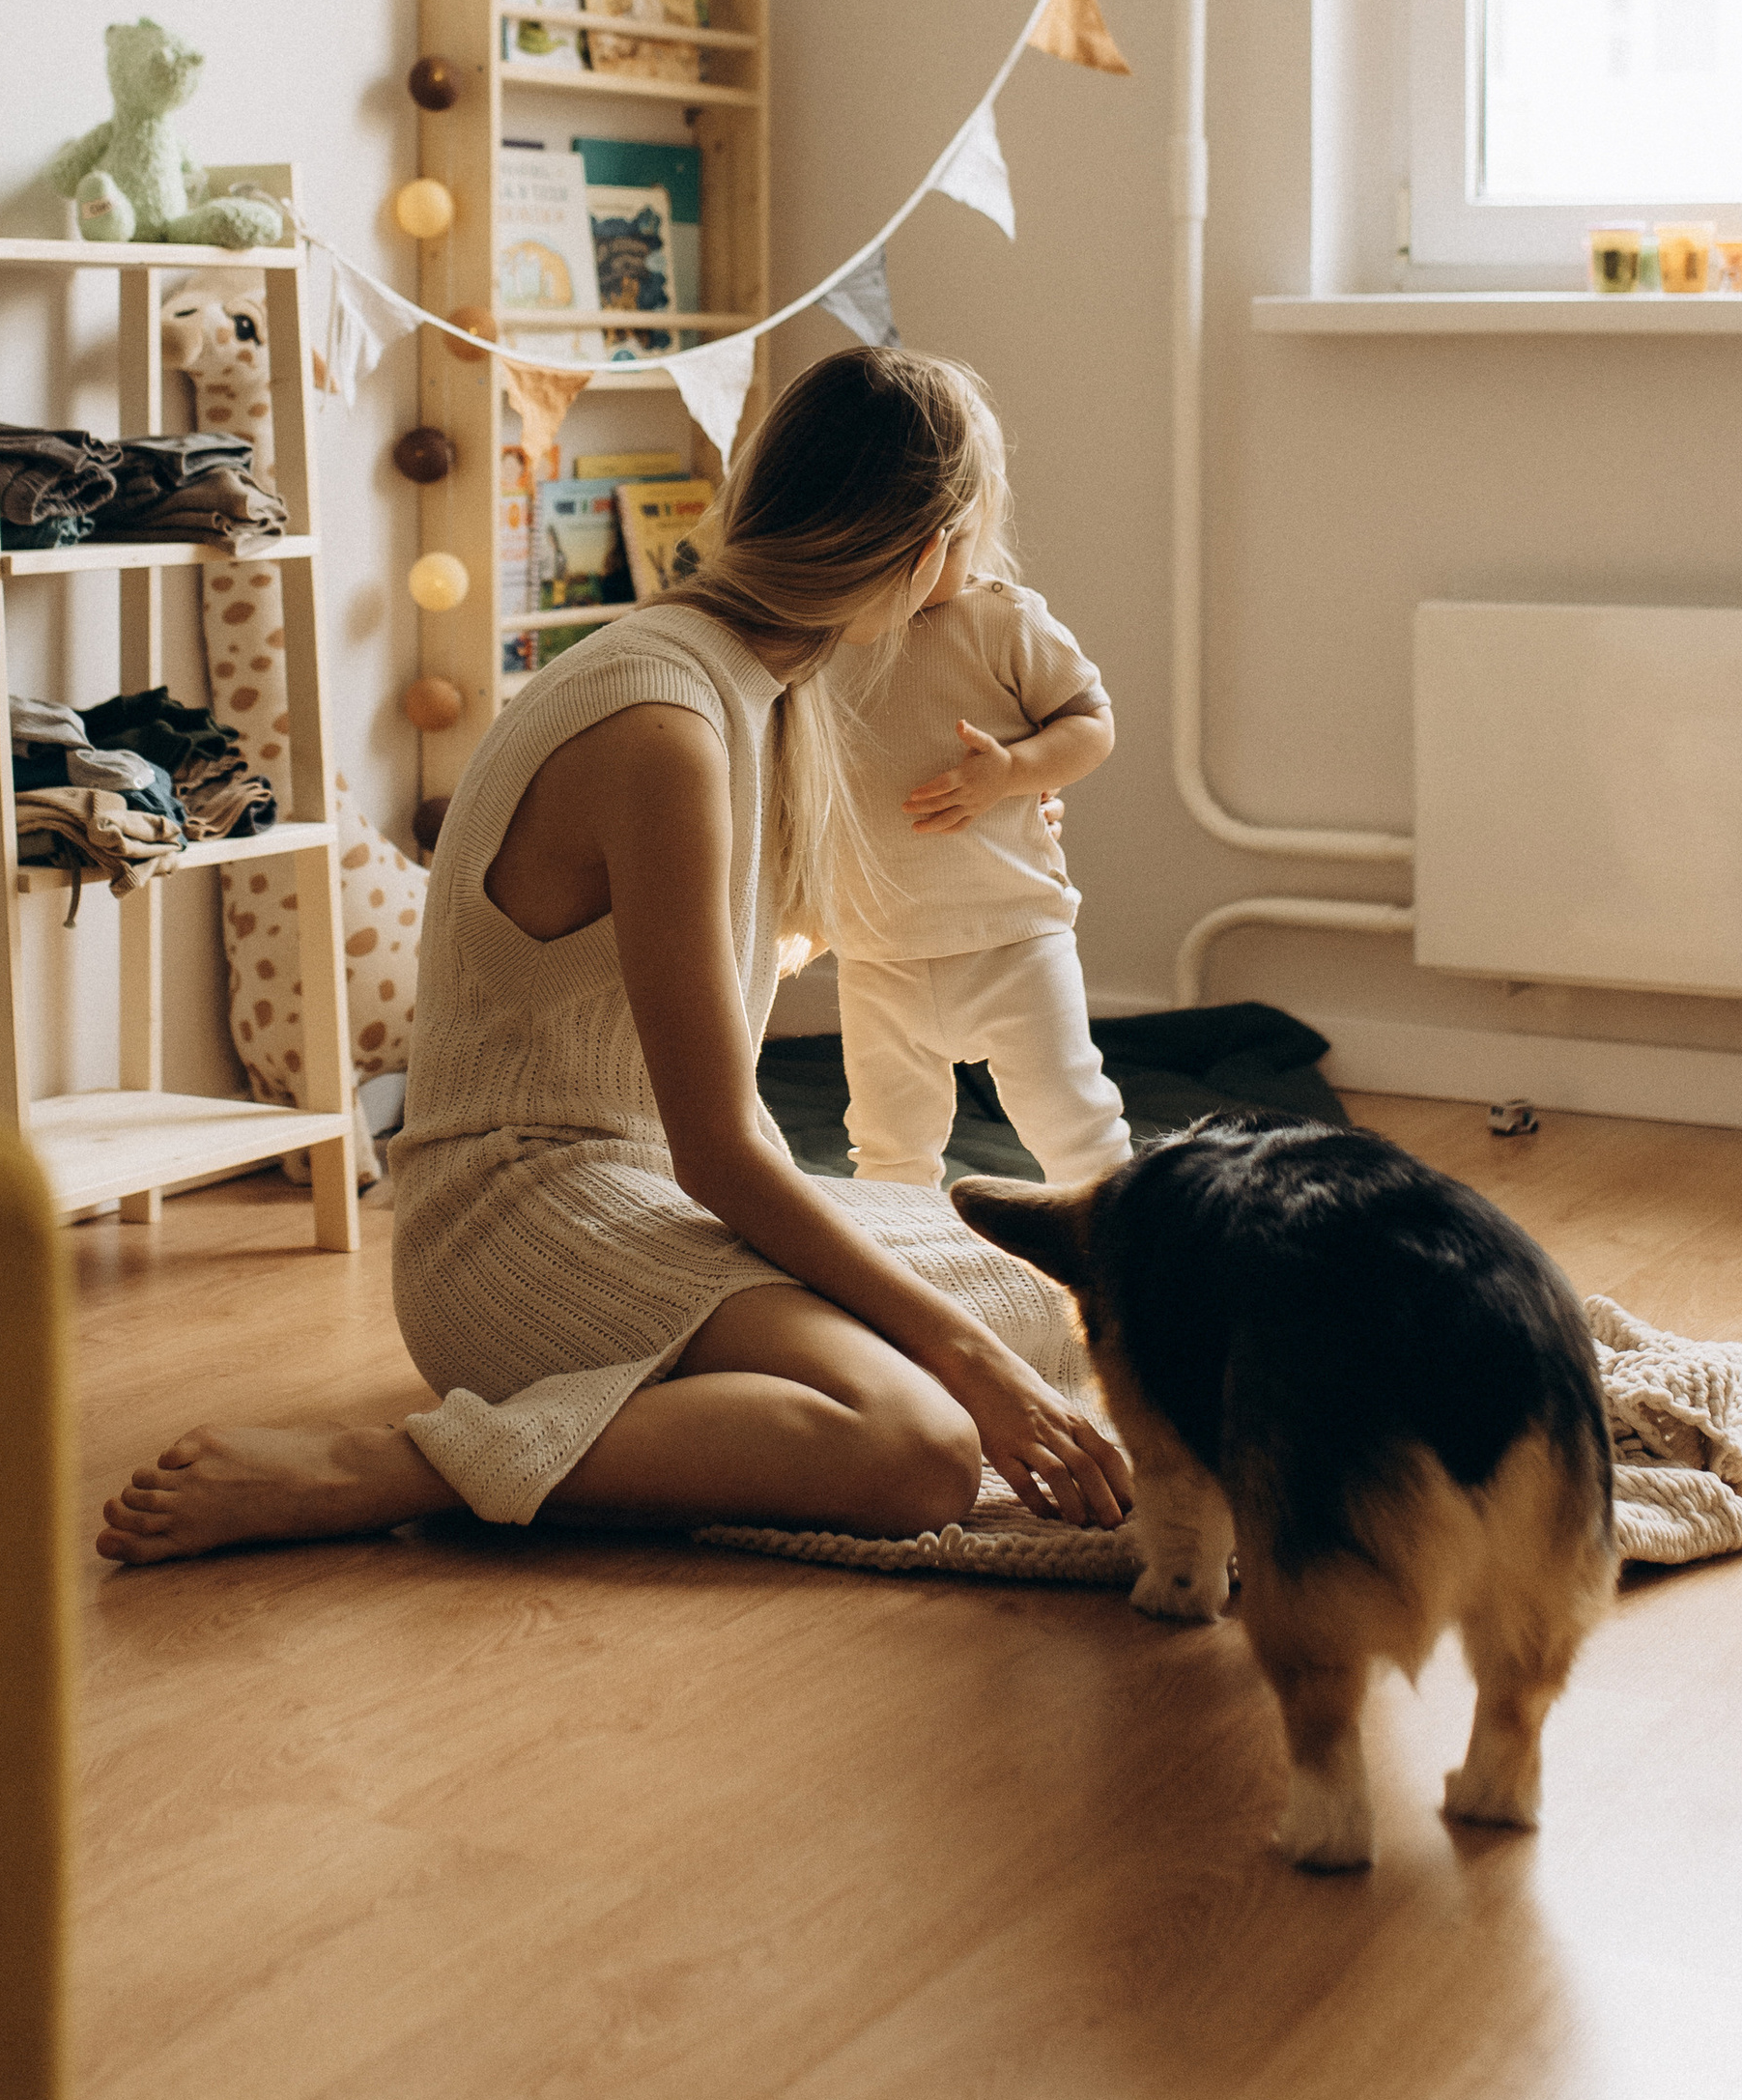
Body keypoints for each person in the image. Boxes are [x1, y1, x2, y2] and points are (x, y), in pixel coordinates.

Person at [97, 349, 1135, 1567]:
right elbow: (721, 1153)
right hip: (515, 1217)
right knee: (918, 1444)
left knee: (1044, 1303)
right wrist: (974, 1375)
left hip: (646, 1194)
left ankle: (670, 1407)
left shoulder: (771, 682)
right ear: (926, 557)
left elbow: (790, 928)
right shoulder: (663, 728)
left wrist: (1009, 811)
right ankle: (386, 1463)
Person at [819, 432, 1131, 1196]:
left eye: (959, 542)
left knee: (1073, 1120)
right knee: (889, 1143)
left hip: (1012, 933)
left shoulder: (1000, 620)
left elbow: (1091, 723)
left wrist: (1014, 772)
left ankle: (1125, 1245)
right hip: (876, 946)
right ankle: (898, 1258)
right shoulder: (821, 640)